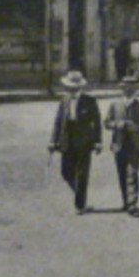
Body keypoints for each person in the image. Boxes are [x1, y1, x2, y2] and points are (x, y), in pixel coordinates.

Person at [50, 70, 102, 215]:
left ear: (80, 88)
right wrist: (53, 141)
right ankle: (80, 194)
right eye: (69, 87)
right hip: (67, 140)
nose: (71, 90)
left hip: (84, 141)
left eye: (74, 87)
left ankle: (80, 205)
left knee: (82, 174)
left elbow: (96, 123)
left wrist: (98, 141)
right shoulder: (64, 100)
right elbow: (58, 122)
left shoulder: (90, 101)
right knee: (66, 172)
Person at [104, 76, 139, 216]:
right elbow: (106, 122)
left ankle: (133, 205)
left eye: (131, 87)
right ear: (121, 89)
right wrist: (116, 125)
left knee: (133, 174)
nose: (128, 90)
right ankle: (126, 202)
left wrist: (135, 127)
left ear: (135, 89)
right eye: (125, 87)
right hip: (118, 144)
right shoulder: (114, 105)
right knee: (122, 175)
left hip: (135, 145)